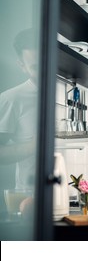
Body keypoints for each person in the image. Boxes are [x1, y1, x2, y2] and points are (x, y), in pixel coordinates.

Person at [0, 28, 38, 192]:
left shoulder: (69, 90)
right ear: (22, 66)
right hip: (30, 199)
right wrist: (33, 146)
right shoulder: (11, 99)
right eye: (36, 67)